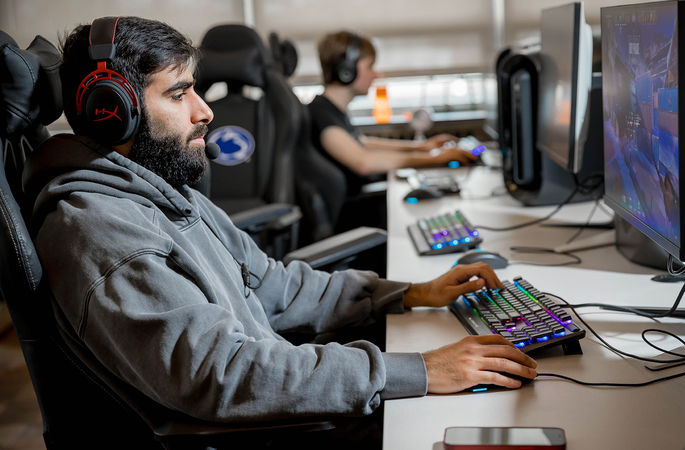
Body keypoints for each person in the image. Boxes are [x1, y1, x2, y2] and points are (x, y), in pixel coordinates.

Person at [23, 16, 537, 441]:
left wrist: (407, 293)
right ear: (115, 113)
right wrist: (418, 370)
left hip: (276, 396)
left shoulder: (164, 193)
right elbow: (224, 374)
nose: (206, 112)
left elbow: (275, 285)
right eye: (179, 94)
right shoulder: (100, 232)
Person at [309, 30, 478, 199]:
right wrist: (435, 158)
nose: (377, 74)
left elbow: (361, 143)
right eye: (370, 66)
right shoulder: (321, 115)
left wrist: (423, 146)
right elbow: (363, 162)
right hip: (352, 212)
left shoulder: (332, 110)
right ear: (347, 70)